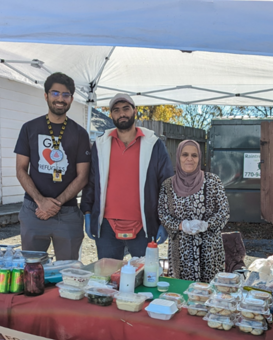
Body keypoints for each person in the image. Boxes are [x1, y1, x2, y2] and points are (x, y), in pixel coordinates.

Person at [81, 93, 173, 259]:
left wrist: (165, 221)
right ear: (111, 115)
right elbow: (91, 182)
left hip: (144, 225)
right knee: (107, 280)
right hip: (106, 227)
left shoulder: (154, 145)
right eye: (116, 110)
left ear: (134, 111)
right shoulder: (101, 145)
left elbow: (166, 184)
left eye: (126, 109)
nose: (121, 113)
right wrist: (87, 213)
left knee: (146, 279)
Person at [14, 72, 90, 260]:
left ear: (71, 99)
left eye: (65, 95)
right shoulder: (29, 128)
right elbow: (20, 169)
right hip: (34, 210)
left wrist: (55, 204)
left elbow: (83, 176)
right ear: (46, 95)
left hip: (68, 213)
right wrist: (41, 202)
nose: (60, 99)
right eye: (55, 93)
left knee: (68, 273)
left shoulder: (80, 133)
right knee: (32, 270)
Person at [158, 139, 230, 282]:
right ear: (178, 157)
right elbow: (163, 214)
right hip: (181, 252)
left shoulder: (213, 181)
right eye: (185, 154)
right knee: (182, 293)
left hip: (209, 252)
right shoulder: (168, 185)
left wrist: (206, 225)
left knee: (209, 295)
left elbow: (224, 211)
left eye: (194, 155)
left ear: (199, 158)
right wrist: (181, 225)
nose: (189, 159)